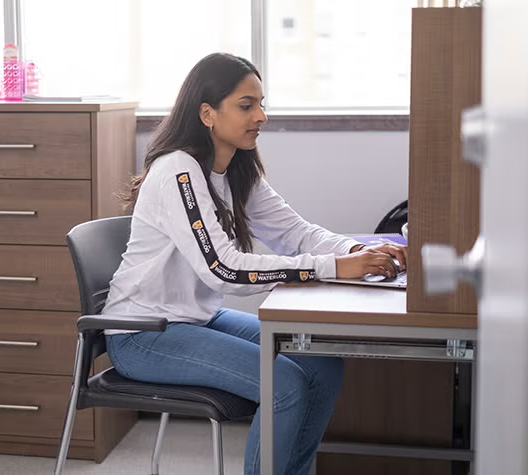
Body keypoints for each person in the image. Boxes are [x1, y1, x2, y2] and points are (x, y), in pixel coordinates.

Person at [102, 52, 407, 475]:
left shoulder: (236, 168)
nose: (260, 115)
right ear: (207, 113)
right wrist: (332, 267)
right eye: (246, 105)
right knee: (284, 385)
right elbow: (224, 269)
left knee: (323, 365)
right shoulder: (178, 171)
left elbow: (295, 231)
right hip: (144, 333)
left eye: (262, 103)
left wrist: (353, 251)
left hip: (195, 320)